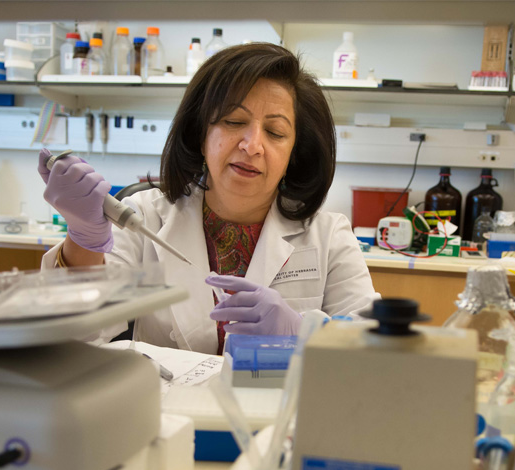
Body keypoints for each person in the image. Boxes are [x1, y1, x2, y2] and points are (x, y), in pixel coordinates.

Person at [38, 43, 379, 355]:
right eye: (234, 121)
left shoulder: (328, 235)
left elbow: (374, 351)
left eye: (275, 132)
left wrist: (303, 331)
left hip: (281, 415)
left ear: (294, 153)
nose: (252, 145)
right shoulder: (145, 218)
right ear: (201, 135)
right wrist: (82, 239)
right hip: (165, 415)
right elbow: (73, 340)